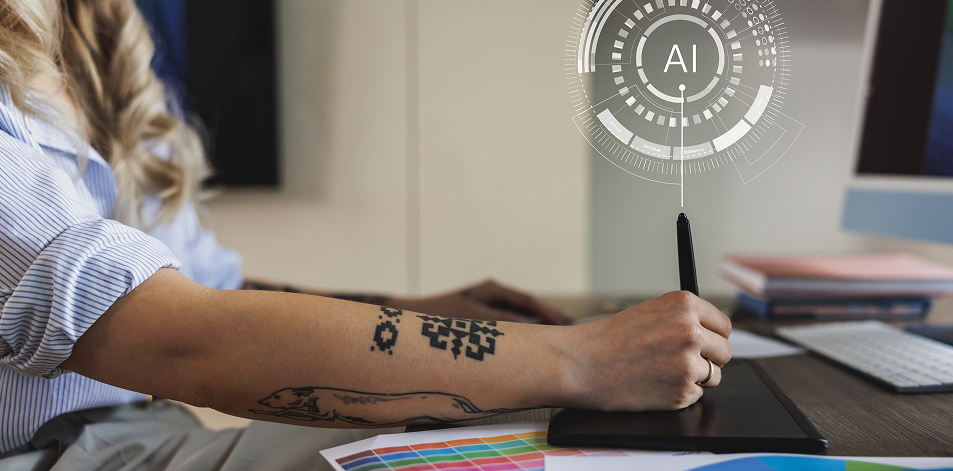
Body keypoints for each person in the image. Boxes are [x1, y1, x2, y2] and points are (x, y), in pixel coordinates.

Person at [0, 0, 734, 469]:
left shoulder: (92, 48)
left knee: (532, 433)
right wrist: (582, 359)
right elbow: (178, 335)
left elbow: (207, 291)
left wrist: (415, 311)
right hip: (49, 455)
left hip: (133, 431)